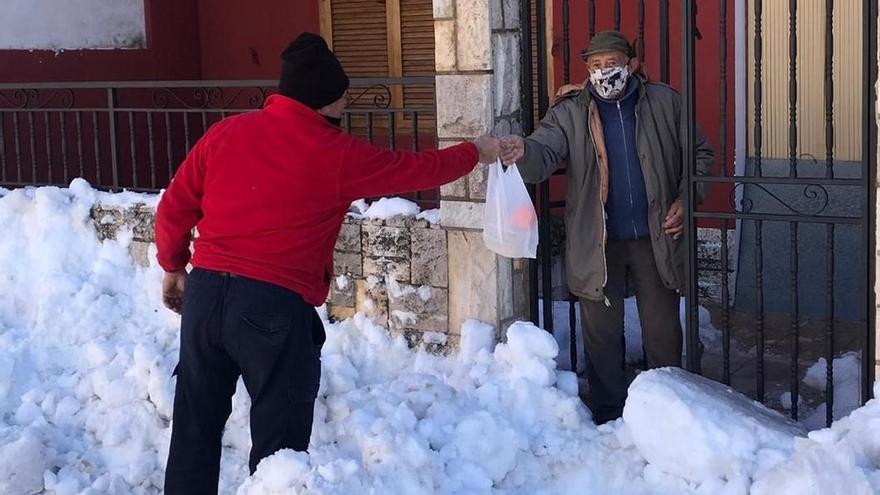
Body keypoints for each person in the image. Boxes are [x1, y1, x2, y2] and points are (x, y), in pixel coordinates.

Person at [155, 32, 500, 494]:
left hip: (205, 296)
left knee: (194, 429)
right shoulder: (335, 153)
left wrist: (173, 264)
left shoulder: (226, 133)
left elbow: (175, 206)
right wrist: (477, 150)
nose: (345, 105)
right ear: (325, 100)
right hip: (272, 310)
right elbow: (417, 168)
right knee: (279, 447)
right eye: (341, 97)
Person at [499, 31, 713, 424]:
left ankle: (670, 409)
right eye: (595, 66)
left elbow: (699, 154)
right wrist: (524, 151)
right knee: (600, 333)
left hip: (655, 237)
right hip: (597, 241)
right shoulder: (569, 112)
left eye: (611, 63)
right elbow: (544, 153)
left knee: (663, 330)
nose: (603, 72)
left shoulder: (666, 102)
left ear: (631, 65)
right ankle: (610, 412)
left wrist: (686, 199)